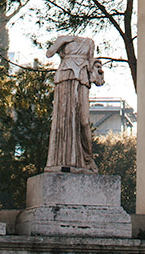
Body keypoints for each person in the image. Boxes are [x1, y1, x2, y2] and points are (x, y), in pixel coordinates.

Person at [45, 34, 105, 172]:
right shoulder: (63, 39)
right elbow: (49, 53)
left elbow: (91, 64)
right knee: (65, 119)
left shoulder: (89, 42)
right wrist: (62, 41)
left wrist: (98, 69)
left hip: (82, 79)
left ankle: (87, 159)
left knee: (83, 121)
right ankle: (63, 161)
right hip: (66, 76)